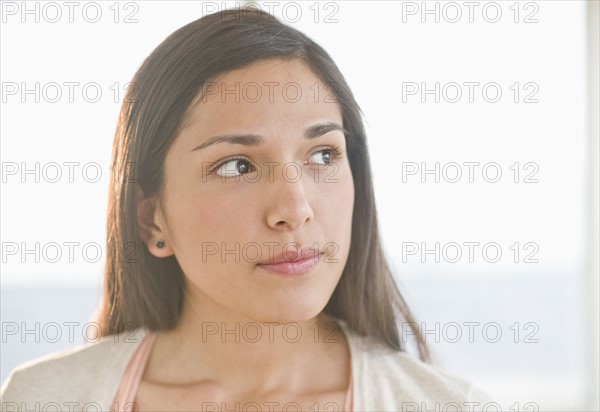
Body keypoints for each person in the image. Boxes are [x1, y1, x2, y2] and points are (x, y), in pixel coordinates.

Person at [1, 8, 494, 412]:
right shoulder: (39, 400)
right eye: (237, 166)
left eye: (323, 155)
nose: (295, 209)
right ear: (153, 219)